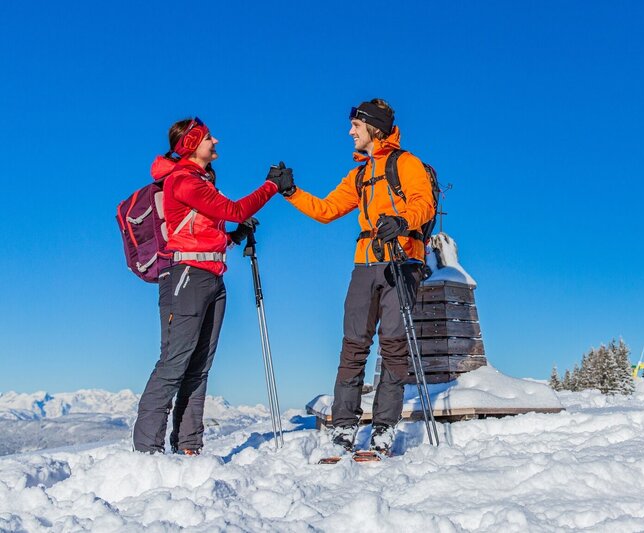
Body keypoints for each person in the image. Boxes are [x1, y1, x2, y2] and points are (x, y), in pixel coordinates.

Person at [132, 117, 296, 454]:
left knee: (200, 365)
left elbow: (205, 227)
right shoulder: (184, 181)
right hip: (187, 279)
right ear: (192, 144)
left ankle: (189, 445)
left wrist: (231, 236)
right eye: (208, 137)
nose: (216, 140)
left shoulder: (202, 181)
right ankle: (147, 449)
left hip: (211, 278)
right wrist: (271, 186)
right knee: (174, 362)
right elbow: (234, 209)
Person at [284, 99, 435, 454]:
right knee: (353, 346)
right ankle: (344, 427)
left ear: (373, 127)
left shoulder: (406, 163)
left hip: (402, 262)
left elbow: (423, 202)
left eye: (355, 125)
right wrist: (290, 192)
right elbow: (327, 210)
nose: (350, 131)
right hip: (364, 266)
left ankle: (383, 428)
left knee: (394, 346)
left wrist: (402, 221)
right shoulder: (360, 175)